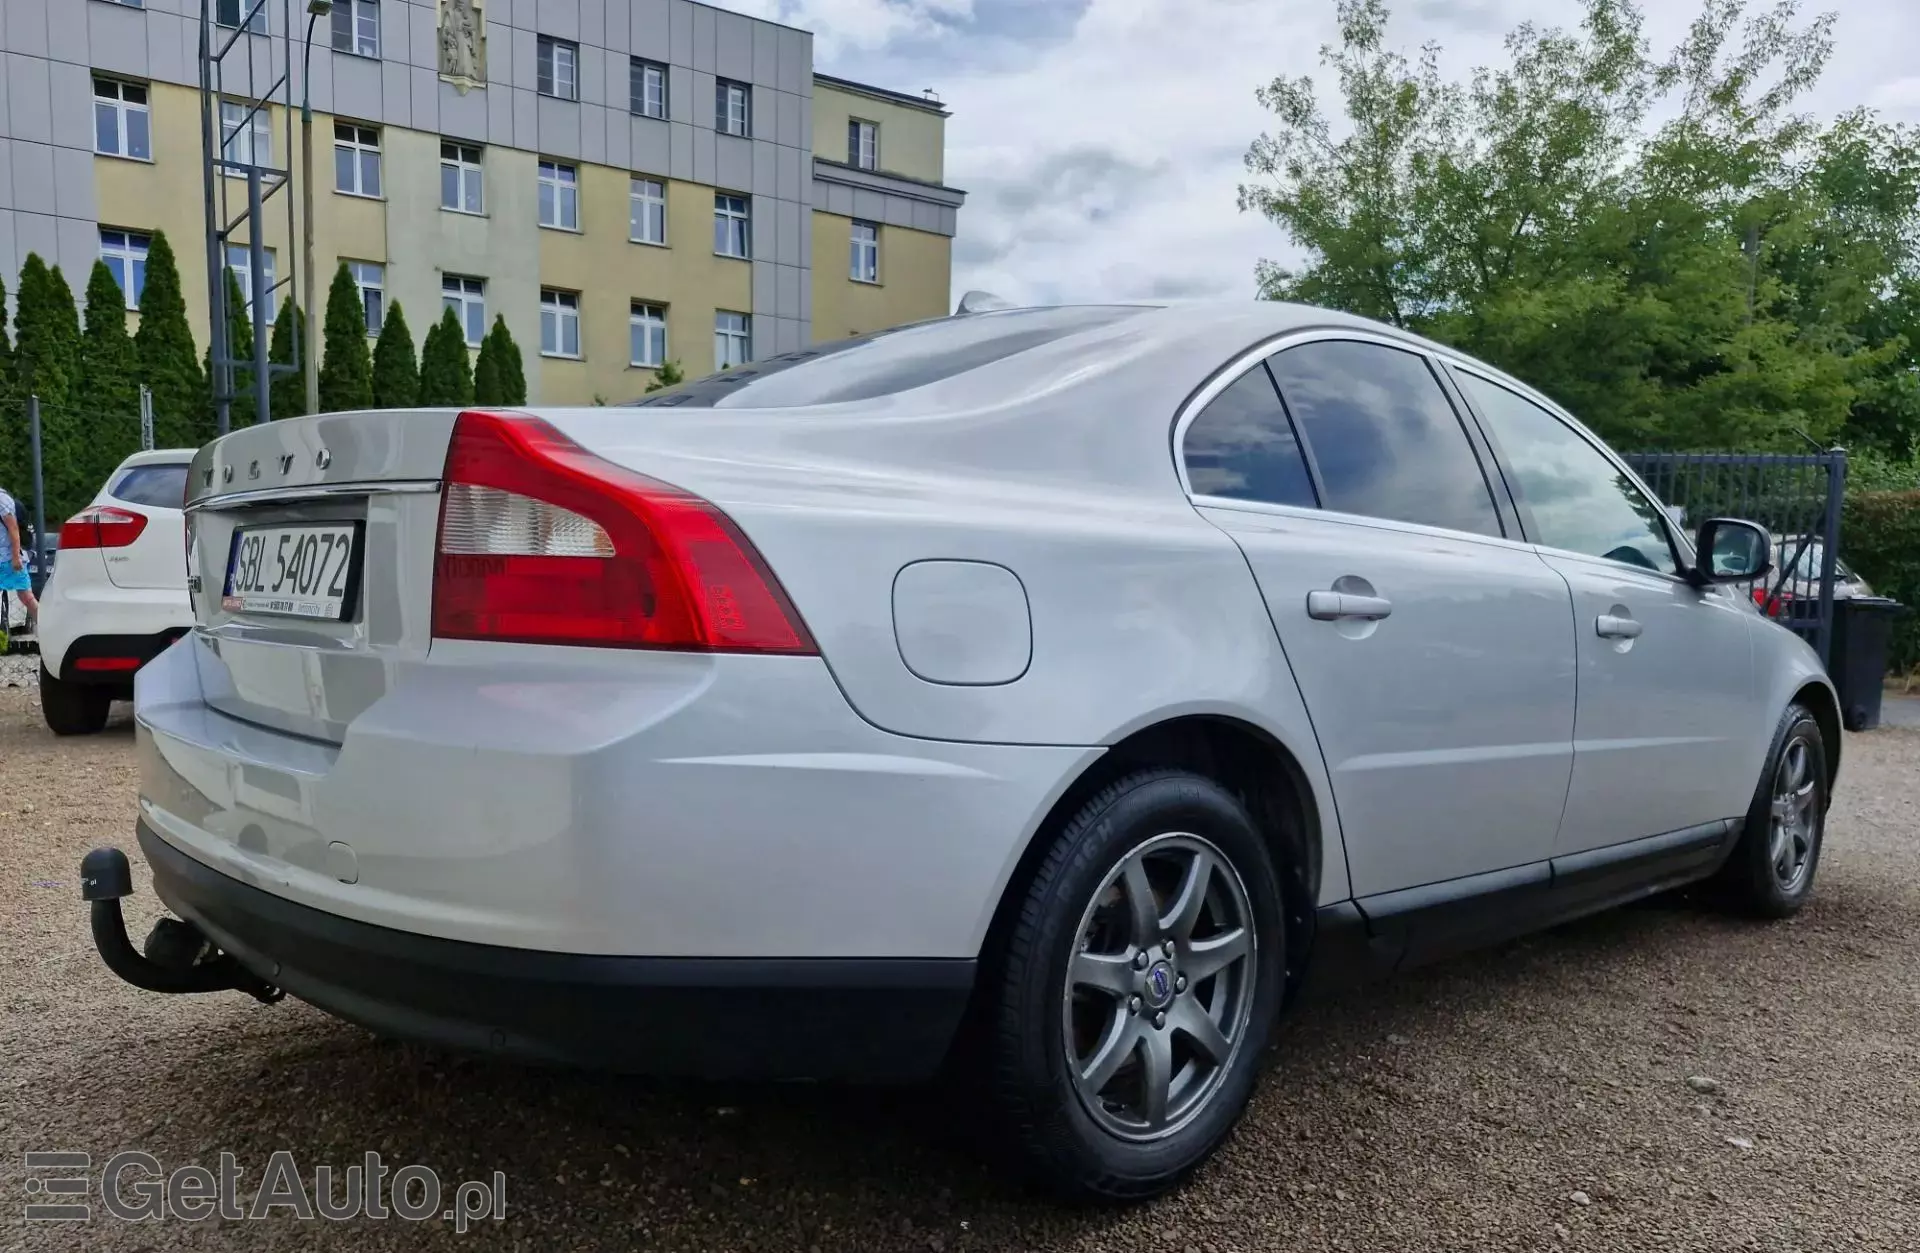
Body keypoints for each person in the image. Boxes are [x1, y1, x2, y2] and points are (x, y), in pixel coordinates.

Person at [0, 485, 38, 636]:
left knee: (26, 597)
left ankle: (49, 629)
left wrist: (16, 557)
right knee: (26, 596)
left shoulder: (2, 500)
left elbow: (13, 528)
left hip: (8, 558)